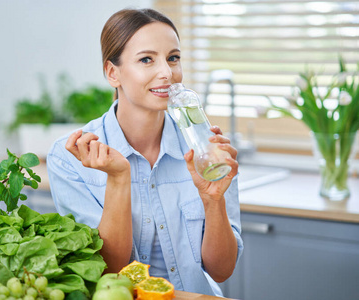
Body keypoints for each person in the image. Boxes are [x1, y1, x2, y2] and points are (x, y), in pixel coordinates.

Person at [47, 8, 243, 296]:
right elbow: (107, 273)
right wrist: (118, 178)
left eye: (173, 58)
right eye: (147, 59)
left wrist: (214, 201)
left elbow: (222, 270)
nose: (167, 73)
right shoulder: (72, 158)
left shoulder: (206, 151)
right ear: (113, 73)